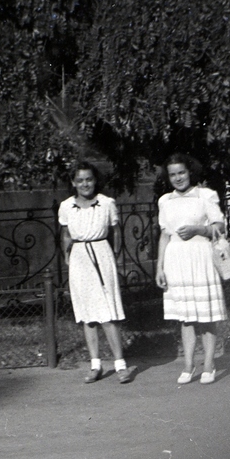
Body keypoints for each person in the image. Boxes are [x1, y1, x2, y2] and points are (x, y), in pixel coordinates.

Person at [58, 162, 136, 384]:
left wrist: (114, 257)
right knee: (87, 315)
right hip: (79, 258)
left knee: (108, 312)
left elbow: (116, 233)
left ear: (95, 180)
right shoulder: (65, 206)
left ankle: (121, 365)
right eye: (80, 180)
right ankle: (95, 365)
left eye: (89, 179)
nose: (85, 184)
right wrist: (67, 256)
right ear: (73, 183)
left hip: (102, 255)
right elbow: (65, 234)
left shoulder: (106, 203)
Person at [155, 155, 227, 384]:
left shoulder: (205, 195)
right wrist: (159, 267)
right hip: (176, 260)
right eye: (173, 174)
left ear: (190, 172)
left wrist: (199, 230)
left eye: (182, 173)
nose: (178, 178)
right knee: (185, 317)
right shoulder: (165, 200)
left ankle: (209, 363)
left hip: (201, 257)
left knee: (206, 315)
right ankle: (188, 364)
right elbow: (165, 235)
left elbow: (220, 227)